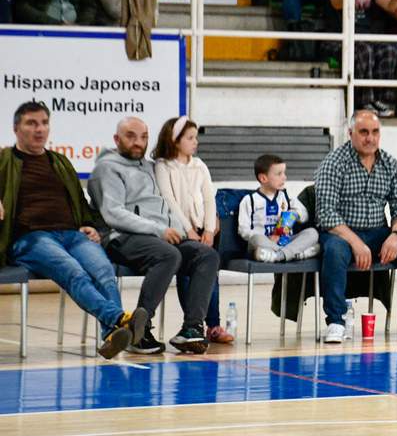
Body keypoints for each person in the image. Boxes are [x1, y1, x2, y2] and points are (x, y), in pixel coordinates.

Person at [1, 102, 140, 359]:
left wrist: (91, 226)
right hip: (31, 238)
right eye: (32, 123)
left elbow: (79, 200)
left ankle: (111, 335)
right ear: (16, 128)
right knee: (74, 273)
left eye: (44, 123)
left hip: (71, 234)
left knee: (104, 272)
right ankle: (118, 317)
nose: (40, 129)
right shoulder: (4, 160)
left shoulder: (60, 162)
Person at [89, 117, 219, 355]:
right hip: (122, 237)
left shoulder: (149, 167)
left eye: (144, 137)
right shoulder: (106, 169)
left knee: (206, 255)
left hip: (157, 238)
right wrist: (159, 230)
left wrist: (184, 231)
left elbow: (167, 206)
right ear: (116, 139)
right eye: (130, 136)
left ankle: (191, 330)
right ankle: (140, 329)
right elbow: (113, 214)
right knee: (168, 255)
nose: (138, 142)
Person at [314, 109, 397, 343]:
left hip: (379, 232)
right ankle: (336, 321)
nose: (369, 138)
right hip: (341, 233)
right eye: (363, 132)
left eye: (374, 132)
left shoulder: (391, 165)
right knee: (334, 250)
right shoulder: (333, 163)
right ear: (350, 133)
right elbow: (326, 214)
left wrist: (396, 235)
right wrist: (356, 242)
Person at [152, 116, 233, 344]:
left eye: (195, 137)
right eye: (190, 138)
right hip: (180, 232)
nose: (195, 142)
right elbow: (169, 200)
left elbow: (209, 198)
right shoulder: (163, 166)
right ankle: (192, 324)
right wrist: (188, 230)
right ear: (175, 140)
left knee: (210, 271)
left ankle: (213, 326)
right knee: (187, 274)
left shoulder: (199, 166)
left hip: (201, 230)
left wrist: (208, 230)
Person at [237, 153, 320, 263]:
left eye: (284, 173)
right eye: (279, 174)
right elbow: (243, 230)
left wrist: (295, 214)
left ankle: (278, 256)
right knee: (256, 239)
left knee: (312, 233)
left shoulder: (285, 197)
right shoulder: (250, 200)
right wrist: (268, 238)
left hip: (285, 241)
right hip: (264, 244)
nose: (284, 177)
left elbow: (304, 216)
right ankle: (295, 254)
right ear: (263, 178)